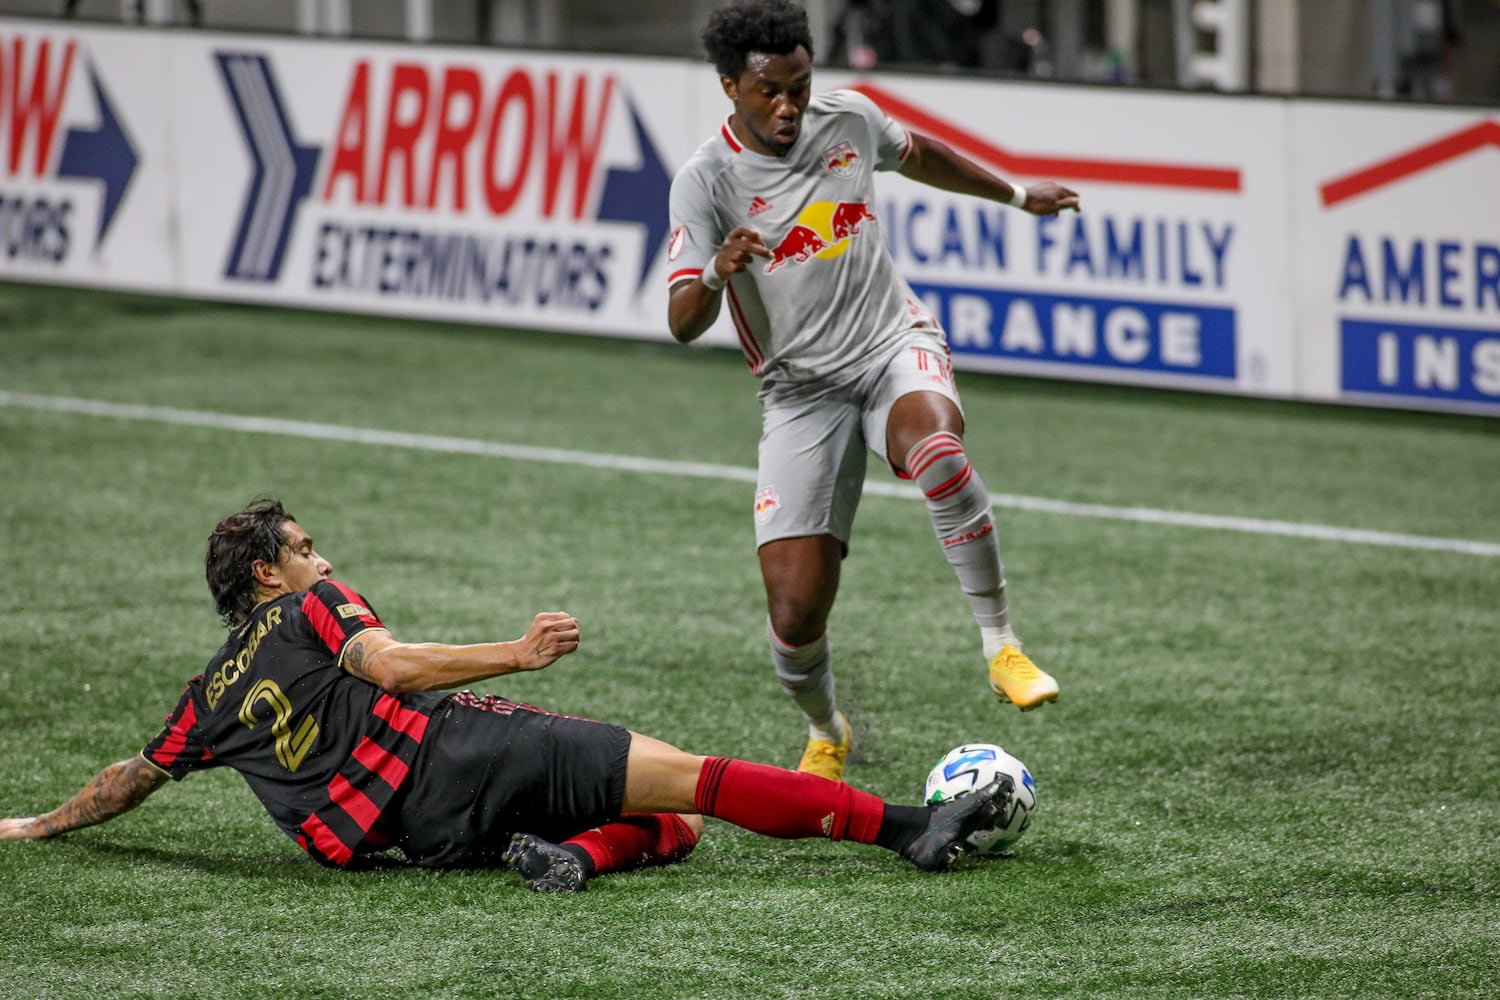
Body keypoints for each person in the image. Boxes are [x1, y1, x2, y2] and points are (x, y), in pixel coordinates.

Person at [0, 499, 1013, 890]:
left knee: (673, 827)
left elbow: (131, 777)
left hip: (418, 838)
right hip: (458, 750)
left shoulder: (206, 693)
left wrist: (41, 824)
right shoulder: (314, 608)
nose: (323, 555)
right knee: (695, 780)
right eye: (304, 546)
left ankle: (572, 854)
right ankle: (908, 828)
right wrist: (515, 655)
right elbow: (390, 670)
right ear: (268, 573)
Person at [666, 0, 1080, 782]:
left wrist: (1020, 196)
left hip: (893, 346)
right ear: (730, 87)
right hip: (799, 394)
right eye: (769, 92)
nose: (789, 105)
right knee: (794, 615)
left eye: (799, 83)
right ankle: (827, 729)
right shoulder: (706, 182)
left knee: (938, 454)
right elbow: (682, 320)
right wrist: (719, 272)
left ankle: (1002, 647)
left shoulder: (847, 119)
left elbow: (921, 155)